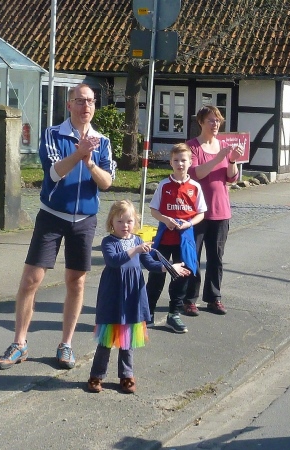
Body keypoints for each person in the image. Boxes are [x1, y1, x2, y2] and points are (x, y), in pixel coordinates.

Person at [0, 84, 116, 370]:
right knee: (31, 280)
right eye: (80, 101)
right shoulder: (53, 134)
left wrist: (90, 163)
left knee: (76, 282)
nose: (86, 106)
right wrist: (78, 154)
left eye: (90, 101)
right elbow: (53, 173)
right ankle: (19, 343)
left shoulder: (102, 141)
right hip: (52, 216)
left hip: (84, 220)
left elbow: (107, 182)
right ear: (69, 105)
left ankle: (66, 345)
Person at [87, 200, 190, 394]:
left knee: (127, 338)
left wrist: (170, 267)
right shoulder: (108, 242)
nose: (125, 226)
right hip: (113, 294)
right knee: (106, 338)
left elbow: (150, 264)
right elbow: (113, 260)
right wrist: (136, 249)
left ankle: (126, 375)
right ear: (111, 223)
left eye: (129, 221)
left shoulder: (137, 241)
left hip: (132, 294)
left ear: (135, 222)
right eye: (120, 221)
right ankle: (96, 375)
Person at [184, 106, 244, 316]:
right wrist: (219, 158)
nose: (215, 124)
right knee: (192, 257)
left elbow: (232, 178)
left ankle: (214, 298)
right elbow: (196, 173)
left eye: (218, 120)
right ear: (201, 122)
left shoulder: (224, 146)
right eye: (211, 120)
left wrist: (232, 161)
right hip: (196, 212)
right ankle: (189, 299)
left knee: (216, 258)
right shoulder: (192, 147)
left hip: (220, 210)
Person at [146, 143, 207, 333]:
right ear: (171, 162)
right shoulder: (164, 185)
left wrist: (189, 223)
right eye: (176, 160)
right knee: (156, 276)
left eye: (183, 160)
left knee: (182, 276)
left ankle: (174, 314)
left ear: (190, 162)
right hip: (165, 238)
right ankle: (147, 313)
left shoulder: (195, 187)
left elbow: (201, 213)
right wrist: (166, 219)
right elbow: (154, 210)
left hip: (184, 240)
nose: (180, 164)